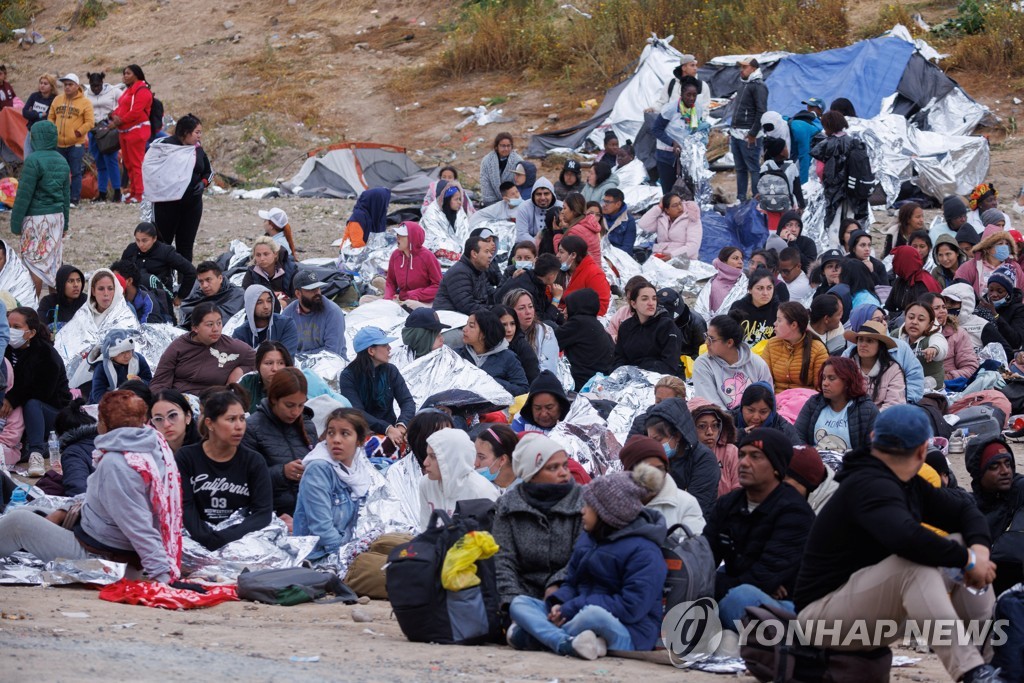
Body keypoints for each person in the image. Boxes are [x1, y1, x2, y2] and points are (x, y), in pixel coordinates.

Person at [795, 405, 1000, 683]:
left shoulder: (906, 482)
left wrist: (978, 551)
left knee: (958, 541)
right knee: (915, 566)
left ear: (872, 438)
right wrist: (969, 561)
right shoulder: (866, 483)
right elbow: (907, 539)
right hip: (820, 620)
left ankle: (992, 664)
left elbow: (965, 511)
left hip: (865, 613)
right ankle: (972, 672)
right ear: (921, 451)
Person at [0, 391, 183, 583]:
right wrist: (65, 510)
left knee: (19, 522)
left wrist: (164, 577)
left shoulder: (116, 463)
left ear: (102, 423)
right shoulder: (150, 447)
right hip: (101, 539)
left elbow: (139, 525)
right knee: (32, 510)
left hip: (106, 561)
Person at [506, 470, 667, 658]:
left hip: (628, 631)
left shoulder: (645, 552)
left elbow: (631, 608)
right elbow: (571, 583)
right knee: (519, 603)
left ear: (607, 513)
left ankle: (539, 637)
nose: (582, 511)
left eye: (588, 506)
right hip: (576, 614)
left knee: (592, 615)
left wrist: (571, 608)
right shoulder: (589, 539)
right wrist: (559, 603)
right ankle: (566, 643)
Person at [704, 428, 815, 630]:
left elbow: (762, 578)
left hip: (790, 607)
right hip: (744, 591)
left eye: (755, 457)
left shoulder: (795, 512)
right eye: (742, 455)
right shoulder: (728, 504)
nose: (744, 463)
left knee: (740, 598)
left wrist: (713, 584)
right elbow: (704, 558)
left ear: (776, 467)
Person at [493, 433, 583, 612]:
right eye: (552, 468)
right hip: (523, 598)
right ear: (532, 475)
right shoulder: (508, 506)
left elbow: (582, 556)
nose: (564, 473)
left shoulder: (583, 501)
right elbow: (503, 561)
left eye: (564, 465)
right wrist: (513, 601)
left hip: (571, 592)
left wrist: (557, 586)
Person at [175, 390, 273, 551]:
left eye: (242, 419)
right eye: (231, 419)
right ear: (210, 423)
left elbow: (262, 513)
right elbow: (184, 506)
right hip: (194, 540)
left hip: (241, 542)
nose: (239, 426)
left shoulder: (254, 461)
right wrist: (206, 538)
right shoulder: (186, 457)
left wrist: (226, 537)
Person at [293, 408, 373, 559]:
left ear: (360, 440)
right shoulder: (318, 469)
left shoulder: (360, 469)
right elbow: (321, 529)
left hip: (348, 548)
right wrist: (349, 556)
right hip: (320, 556)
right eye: (331, 433)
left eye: (344, 433)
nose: (336, 439)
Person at [242, 368, 317, 519]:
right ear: (274, 399)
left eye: (301, 405)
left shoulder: (307, 425)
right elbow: (245, 480)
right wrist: (283, 472)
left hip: (310, 508)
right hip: (273, 512)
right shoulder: (252, 428)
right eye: (289, 405)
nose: (295, 412)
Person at [9, 121, 69, 297]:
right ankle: (56, 309)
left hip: (36, 218)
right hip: (56, 218)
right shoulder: (62, 160)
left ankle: (32, 308)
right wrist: (65, 225)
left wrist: (15, 224)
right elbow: (66, 196)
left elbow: (23, 196)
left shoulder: (32, 161)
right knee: (54, 263)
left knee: (34, 263)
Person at [4, 307, 70, 461]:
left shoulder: (46, 354)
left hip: (51, 413)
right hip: (18, 413)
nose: (10, 331)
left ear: (31, 333)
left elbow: (41, 391)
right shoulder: (5, 349)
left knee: (32, 404)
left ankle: (36, 452)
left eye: (17, 327)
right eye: (8, 326)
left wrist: (12, 399)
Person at [634, 397, 720, 515]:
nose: (654, 446)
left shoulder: (703, 459)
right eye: (650, 440)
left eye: (658, 440)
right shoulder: (657, 460)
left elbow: (695, 506)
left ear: (678, 435)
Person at [150, 302, 256, 394]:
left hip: (215, 405)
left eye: (219, 323)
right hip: (181, 403)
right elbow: (159, 383)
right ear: (195, 328)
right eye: (210, 325)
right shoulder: (179, 347)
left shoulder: (231, 346)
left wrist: (240, 370)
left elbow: (261, 360)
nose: (216, 329)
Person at [147, 114, 211, 261]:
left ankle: (185, 282)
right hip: (166, 206)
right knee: (162, 246)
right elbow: (150, 169)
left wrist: (203, 183)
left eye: (200, 132)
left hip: (191, 206)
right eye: (197, 132)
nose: (199, 136)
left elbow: (209, 171)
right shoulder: (163, 147)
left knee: (186, 246)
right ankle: (163, 280)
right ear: (185, 132)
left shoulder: (197, 148)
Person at [966, 437, 1024, 594]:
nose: (1005, 471)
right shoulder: (968, 507)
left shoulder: (1019, 491)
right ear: (979, 473)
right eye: (994, 466)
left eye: (1008, 464)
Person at [338, 326, 414, 444]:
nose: (389, 348)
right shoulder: (348, 376)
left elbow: (407, 401)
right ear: (371, 351)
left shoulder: (390, 370)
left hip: (393, 432)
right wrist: (386, 428)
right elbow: (357, 412)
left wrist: (402, 425)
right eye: (384, 345)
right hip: (363, 434)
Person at [619, 435, 705, 532]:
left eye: (659, 469)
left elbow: (696, 544)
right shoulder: (615, 504)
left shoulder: (686, 504)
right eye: (647, 470)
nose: (656, 476)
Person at [419, 427, 500, 528]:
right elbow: (425, 531)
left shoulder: (483, 492)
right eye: (427, 455)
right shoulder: (426, 483)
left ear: (452, 459)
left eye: (433, 457)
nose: (425, 462)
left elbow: (491, 538)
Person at [237, 341, 347, 413]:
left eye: (281, 363)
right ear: (258, 365)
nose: (275, 368)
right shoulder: (248, 382)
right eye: (268, 363)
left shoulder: (296, 384)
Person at [795, 357, 879, 452]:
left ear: (847, 381)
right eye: (824, 378)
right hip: (815, 463)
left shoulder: (867, 409)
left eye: (831, 378)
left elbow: (874, 448)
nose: (825, 383)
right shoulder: (814, 403)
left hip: (851, 464)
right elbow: (797, 436)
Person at [120, 221, 197, 321]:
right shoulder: (131, 250)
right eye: (137, 240)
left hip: (160, 297)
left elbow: (190, 271)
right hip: (134, 296)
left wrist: (181, 296)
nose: (141, 245)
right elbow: (120, 271)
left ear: (154, 238)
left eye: (144, 241)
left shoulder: (166, 252)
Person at [692, 313, 772, 409]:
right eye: (706, 336)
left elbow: (768, 400)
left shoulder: (757, 363)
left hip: (756, 419)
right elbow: (711, 406)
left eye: (711, 339)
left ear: (729, 342)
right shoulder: (703, 364)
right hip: (720, 420)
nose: (706, 343)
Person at [811, 111, 868, 235]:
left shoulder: (825, 144)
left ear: (827, 126)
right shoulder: (854, 142)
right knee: (851, 218)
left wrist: (824, 181)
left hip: (834, 189)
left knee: (834, 220)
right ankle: (852, 245)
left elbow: (820, 170)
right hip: (853, 187)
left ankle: (834, 248)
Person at [651, 75, 709, 193]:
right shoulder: (670, 109)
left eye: (694, 95)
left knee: (687, 191)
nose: (692, 98)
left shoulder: (697, 108)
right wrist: (672, 142)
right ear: (681, 94)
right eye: (688, 95)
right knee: (669, 192)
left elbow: (696, 128)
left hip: (686, 156)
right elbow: (656, 130)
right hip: (666, 156)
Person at [612, 280, 682, 375]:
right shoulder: (626, 327)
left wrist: (639, 369)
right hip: (629, 379)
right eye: (645, 299)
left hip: (661, 381)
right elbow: (619, 358)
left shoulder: (667, 326)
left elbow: (670, 365)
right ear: (633, 304)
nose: (651, 303)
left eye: (654, 299)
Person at [46, 74, 94, 208]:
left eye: (70, 84)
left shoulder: (85, 102)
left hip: (76, 143)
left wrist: (78, 131)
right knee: (59, 172)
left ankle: (74, 199)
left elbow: (90, 122)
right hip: (59, 143)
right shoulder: (57, 99)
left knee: (76, 171)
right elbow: (51, 116)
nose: (67, 87)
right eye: (65, 84)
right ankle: (59, 197)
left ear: (77, 86)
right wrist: (52, 130)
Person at [458, 308, 529, 396]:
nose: (464, 329)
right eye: (466, 324)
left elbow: (523, 390)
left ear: (484, 333)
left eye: (471, 326)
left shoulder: (508, 357)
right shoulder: (457, 355)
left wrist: (492, 382)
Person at [109, 65, 152, 204]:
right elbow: (120, 107)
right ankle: (133, 191)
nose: (125, 76)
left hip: (136, 130)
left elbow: (136, 112)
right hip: (124, 131)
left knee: (136, 163)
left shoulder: (142, 91)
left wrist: (118, 121)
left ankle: (139, 193)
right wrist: (114, 115)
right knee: (128, 163)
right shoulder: (128, 91)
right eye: (124, 73)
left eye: (128, 73)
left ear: (137, 74)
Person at [762, 301, 828, 392]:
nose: (775, 323)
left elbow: (821, 388)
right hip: (776, 400)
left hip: (805, 401)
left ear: (793, 325)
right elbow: (763, 380)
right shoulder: (771, 344)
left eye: (779, 320)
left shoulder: (817, 349)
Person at [556, 289, 614, 391]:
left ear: (577, 307)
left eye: (568, 307)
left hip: (581, 383)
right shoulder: (594, 324)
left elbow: (551, 342)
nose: (564, 311)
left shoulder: (578, 323)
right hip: (598, 382)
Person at [281, 270, 348, 358]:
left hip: (331, 365)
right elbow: (285, 348)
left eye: (318, 288)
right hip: (298, 365)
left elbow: (332, 352)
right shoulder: (288, 314)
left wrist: (301, 356)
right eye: (311, 290)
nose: (317, 293)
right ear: (298, 293)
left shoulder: (333, 312)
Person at [730, 57, 768, 202]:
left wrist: (753, 133)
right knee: (740, 169)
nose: (742, 70)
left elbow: (761, 111)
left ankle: (756, 200)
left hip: (748, 135)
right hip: (736, 133)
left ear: (753, 68)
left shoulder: (758, 86)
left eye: (745, 67)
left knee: (753, 168)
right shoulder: (743, 84)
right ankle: (741, 199)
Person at [845, 321, 906, 410]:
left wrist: (873, 420)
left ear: (880, 345)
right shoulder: (847, 366)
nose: (863, 345)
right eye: (860, 339)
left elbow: (894, 404)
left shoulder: (893, 370)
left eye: (869, 341)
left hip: (881, 420)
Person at [381, 221, 443, 308]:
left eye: (401, 235)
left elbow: (439, 286)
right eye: (397, 234)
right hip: (402, 300)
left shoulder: (427, 257)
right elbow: (391, 282)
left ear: (412, 238)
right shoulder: (395, 255)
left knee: (409, 305)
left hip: (423, 302)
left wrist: (418, 294)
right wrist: (388, 298)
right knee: (365, 299)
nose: (397, 238)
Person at [957, 224, 1024, 303]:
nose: (1005, 247)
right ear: (987, 247)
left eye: (1007, 244)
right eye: (1000, 244)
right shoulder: (970, 267)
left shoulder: (1015, 267)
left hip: (1010, 313)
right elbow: (958, 291)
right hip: (978, 313)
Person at [922, 292, 979, 382]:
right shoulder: (913, 334)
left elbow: (970, 368)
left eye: (944, 307)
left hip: (949, 386)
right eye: (936, 308)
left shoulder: (958, 334)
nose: (943, 311)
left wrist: (945, 378)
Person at [496, 252, 564, 326]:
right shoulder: (528, 289)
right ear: (551, 276)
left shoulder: (533, 279)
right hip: (506, 323)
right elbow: (542, 320)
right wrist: (556, 299)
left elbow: (545, 308)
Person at [432, 235, 495, 315]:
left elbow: (493, 295)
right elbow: (466, 306)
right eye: (486, 252)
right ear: (474, 254)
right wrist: (493, 313)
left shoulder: (479, 271)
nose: (490, 255)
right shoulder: (459, 272)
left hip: (467, 318)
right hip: (450, 318)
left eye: (490, 252)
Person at [89, 328, 153, 404]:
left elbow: (150, 381)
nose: (127, 356)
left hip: (134, 401)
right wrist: (117, 399)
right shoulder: (102, 367)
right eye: (122, 353)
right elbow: (97, 394)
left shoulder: (138, 360)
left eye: (129, 351)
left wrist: (141, 382)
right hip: (107, 404)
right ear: (112, 355)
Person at [690, 400, 741, 496]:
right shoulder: (683, 454)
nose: (709, 432)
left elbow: (738, 488)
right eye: (702, 426)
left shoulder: (730, 451)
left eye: (715, 425)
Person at [231, 284, 299, 356]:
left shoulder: (286, 324)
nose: (266, 306)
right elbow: (240, 363)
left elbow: (288, 358)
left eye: (269, 301)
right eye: (260, 302)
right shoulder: (240, 334)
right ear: (250, 306)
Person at [503, 289, 558, 375]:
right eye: (521, 308)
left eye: (530, 306)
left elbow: (549, 370)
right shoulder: (501, 332)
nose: (528, 312)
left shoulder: (546, 332)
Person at [896, 301, 949, 390]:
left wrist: (934, 349)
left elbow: (941, 345)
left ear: (930, 323)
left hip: (931, 389)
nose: (914, 322)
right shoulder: (896, 335)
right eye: (911, 317)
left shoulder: (934, 336)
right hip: (901, 386)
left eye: (921, 319)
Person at [731, 382, 803, 446]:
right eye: (750, 410)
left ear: (772, 411)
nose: (756, 417)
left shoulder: (784, 430)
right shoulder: (726, 422)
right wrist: (737, 436)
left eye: (763, 412)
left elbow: (798, 457)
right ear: (742, 408)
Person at [637, 191, 702, 260]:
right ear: (667, 210)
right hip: (660, 256)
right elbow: (643, 224)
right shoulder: (661, 218)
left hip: (683, 260)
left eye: (680, 203)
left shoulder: (692, 218)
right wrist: (659, 207)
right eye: (675, 205)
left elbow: (693, 246)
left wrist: (671, 256)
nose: (680, 208)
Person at [179, 261, 245, 327]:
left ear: (220, 278)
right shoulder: (197, 297)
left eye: (208, 280)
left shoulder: (236, 294)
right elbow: (185, 310)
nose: (204, 285)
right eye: (201, 282)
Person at [558, 234, 610, 317]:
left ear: (573, 255)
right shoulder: (561, 270)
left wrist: (572, 311)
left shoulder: (594, 274)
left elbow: (601, 307)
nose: (557, 255)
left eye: (561, 252)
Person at [885, 245, 941, 318]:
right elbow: (889, 305)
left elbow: (921, 313)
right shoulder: (900, 281)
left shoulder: (923, 283)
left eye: (897, 259)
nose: (894, 263)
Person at [729, 268, 779, 345]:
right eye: (760, 288)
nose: (765, 293)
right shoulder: (738, 306)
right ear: (750, 289)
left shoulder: (778, 310)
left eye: (769, 288)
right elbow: (728, 335)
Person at [695, 247, 746, 319]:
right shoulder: (713, 286)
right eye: (735, 258)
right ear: (724, 262)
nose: (741, 262)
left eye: (741, 259)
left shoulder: (746, 284)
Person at [495, 304, 541, 383]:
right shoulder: (483, 346)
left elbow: (534, 381)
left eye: (512, 324)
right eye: (504, 325)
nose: (509, 330)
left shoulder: (524, 349)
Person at [241, 236, 295, 301]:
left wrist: (286, 303)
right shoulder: (252, 272)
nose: (262, 259)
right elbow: (245, 296)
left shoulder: (291, 270)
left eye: (266, 254)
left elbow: (299, 298)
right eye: (258, 255)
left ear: (275, 254)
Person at [554, 192, 602, 265]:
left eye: (564, 208)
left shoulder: (575, 231)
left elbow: (562, 255)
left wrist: (557, 232)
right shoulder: (587, 223)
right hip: (594, 270)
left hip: (587, 272)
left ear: (574, 211)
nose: (562, 212)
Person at [36, 264, 85, 333]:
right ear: (61, 283)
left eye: (78, 280)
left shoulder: (86, 302)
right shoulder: (48, 302)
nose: (76, 285)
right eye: (71, 281)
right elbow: (41, 328)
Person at [151, 389, 201, 454]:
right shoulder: (151, 451)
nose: (166, 424)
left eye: (172, 415)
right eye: (158, 419)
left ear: (188, 416)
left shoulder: (205, 450)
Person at [472, 423, 520, 491]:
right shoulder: (474, 484)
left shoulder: (527, 492)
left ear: (502, 460)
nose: (475, 463)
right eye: (474, 454)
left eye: (481, 457)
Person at [480, 132, 523, 206]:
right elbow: (485, 183)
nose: (506, 149)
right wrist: (494, 203)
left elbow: (520, 183)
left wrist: (510, 199)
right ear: (496, 146)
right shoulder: (487, 161)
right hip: (491, 202)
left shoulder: (518, 161)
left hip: (512, 201)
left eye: (508, 146)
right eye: (503, 146)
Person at [516, 177, 562, 242]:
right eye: (538, 194)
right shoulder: (524, 207)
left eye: (546, 194)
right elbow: (521, 235)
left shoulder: (561, 207)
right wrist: (538, 245)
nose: (542, 198)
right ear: (533, 195)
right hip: (530, 245)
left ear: (552, 194)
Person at [21, 73, 57, 156]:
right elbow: (24, 112)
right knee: (28, 157)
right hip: (31, 131)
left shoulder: (55, 99)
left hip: (44, 135)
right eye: (41, 83)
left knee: (41, 158)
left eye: (45, 84)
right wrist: (39, 115)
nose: (42, 85)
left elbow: (49, 116)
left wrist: (32, 114)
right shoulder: (34, 96)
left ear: (51, 86)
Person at [788, 103, 823, 184]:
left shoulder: (801, 128)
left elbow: (804, 157)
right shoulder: (792, 121)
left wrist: (803, 185)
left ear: (820, 110)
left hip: (812, 156)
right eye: (808, 106)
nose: (808, 108)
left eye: (812, 107)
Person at [600, 188, 636, 254]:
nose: (604, 205)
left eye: (608, 202)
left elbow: (627, 248)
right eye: (604, 201)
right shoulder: (599, 216)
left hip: (618, 257)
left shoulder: (628, 221)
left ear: (618, 204)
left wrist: (610, 258)